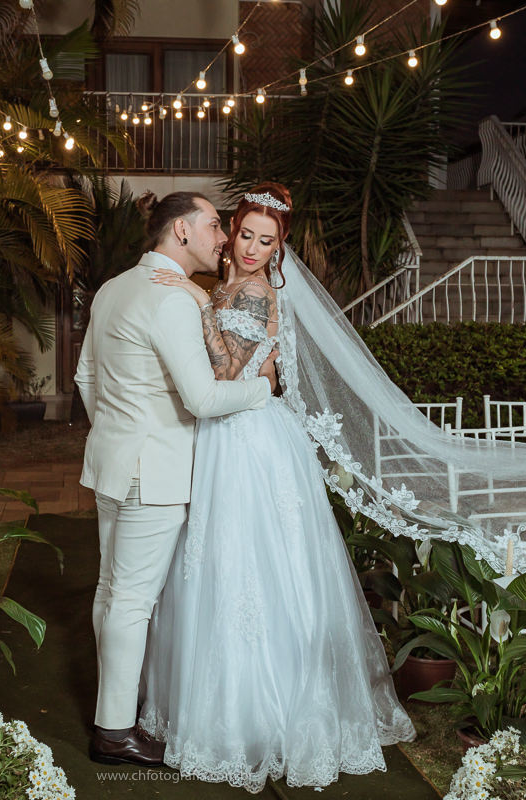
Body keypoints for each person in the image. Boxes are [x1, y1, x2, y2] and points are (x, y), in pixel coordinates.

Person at [139, 183, 415, 793]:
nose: (255, 249)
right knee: (218, 568)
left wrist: (194, 298)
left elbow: (228, 370)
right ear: (231, 232)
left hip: (251, 441)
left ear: (278, 247)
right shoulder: (230, 287)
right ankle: (226, 709)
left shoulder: (256, 293)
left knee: (257, 567)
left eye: (268, 241)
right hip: (226, 434)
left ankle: (269, 715)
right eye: (246, 236)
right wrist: (206, 298)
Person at [74, 191, 279, 768]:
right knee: (131, 601)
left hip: (113, 461)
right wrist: (268, 387)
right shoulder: (172, 303)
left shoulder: (113, 289)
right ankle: (114, 732)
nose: (223, 237)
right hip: (155, 470)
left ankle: (116, 709)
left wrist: (119, 429)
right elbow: (205, 397)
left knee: (111, 593)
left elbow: (86, 378)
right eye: (215, 225)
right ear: (181, 232)